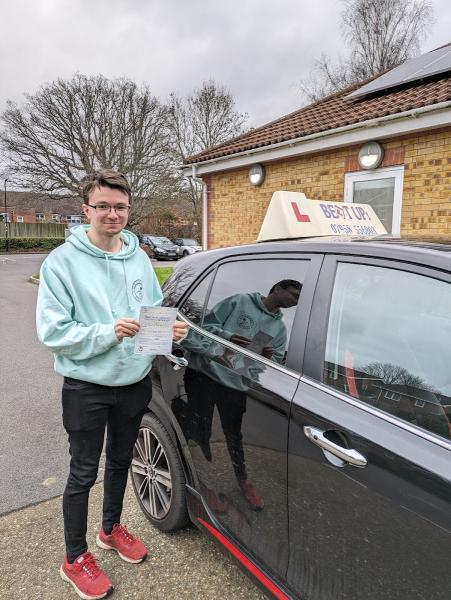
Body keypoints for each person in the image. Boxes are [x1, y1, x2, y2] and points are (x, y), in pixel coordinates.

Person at [36, 169, 187, 600]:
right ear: (86, 210)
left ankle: (109, 529)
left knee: (122, 460)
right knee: (83, 471)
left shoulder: (139, 257)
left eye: (119, 206)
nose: (112, 213)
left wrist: (170, 329)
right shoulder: (61, 263)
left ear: (128, 209)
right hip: (87, 386)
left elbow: (152, 310)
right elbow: (52, 332)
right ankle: (75, 557)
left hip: (134, 380)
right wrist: (107, 332)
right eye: (102, 205)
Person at [178, 280, 302, 511]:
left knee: (234, 435)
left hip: (236, 385)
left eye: (298, 300)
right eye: (293, 295)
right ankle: (205, 484)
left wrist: (263, 357)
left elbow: (270, 365)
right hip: (204, 375)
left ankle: (243, 481)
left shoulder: (279, 329)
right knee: (201, 430)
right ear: (277, 289)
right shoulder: (239, 301)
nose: (295, 302)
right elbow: (201, 328)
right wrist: (229, 337)